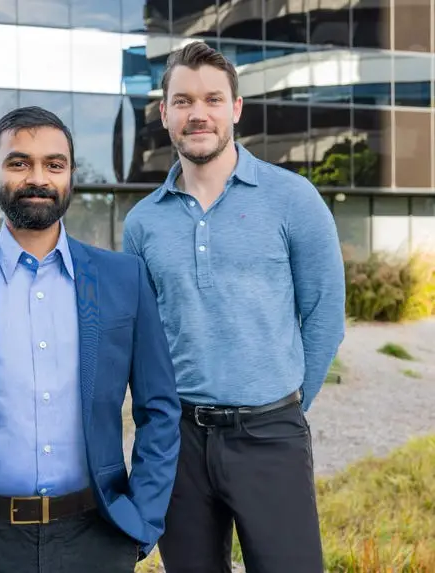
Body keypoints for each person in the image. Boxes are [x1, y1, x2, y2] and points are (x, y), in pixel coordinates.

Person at [0, 106, 181, 573]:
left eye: (54, 164)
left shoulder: (124, 279)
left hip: (97, 536)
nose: (38, 177)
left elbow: (161, 409)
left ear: (70, 176)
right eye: (19, 162)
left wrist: (141, 521)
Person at [122, 42, 346, 573]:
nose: (197, 113)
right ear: (165, 114)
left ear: (235, 108)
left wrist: (286, 405)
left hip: (270, 435)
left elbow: (325, 314)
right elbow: (142, 337)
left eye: (212, 99)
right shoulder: (142, 223)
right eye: (183, 101)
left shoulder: (293, 198)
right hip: (179, 440)